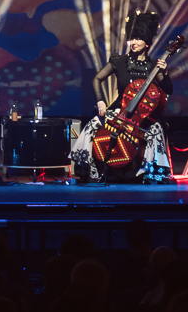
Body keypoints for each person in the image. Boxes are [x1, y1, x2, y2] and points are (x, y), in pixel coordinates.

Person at [72, 10, 173, 183]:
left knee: (156, 130)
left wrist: (164, 73)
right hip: (120, 110)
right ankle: (90, 169)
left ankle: (151, 172)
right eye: (131, 38)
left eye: (138, 39)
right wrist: (100, 101)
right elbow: (96, 79)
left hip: (142, 116)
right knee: (93, 124)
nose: (133, 42)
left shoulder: (153, 66)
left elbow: (168, 89)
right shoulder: (119, 61)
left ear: (147, 42)